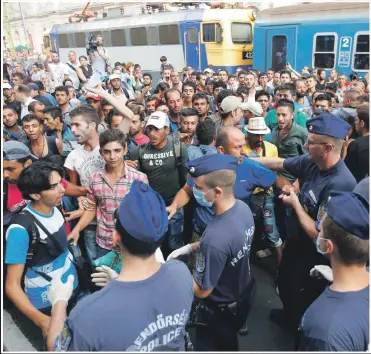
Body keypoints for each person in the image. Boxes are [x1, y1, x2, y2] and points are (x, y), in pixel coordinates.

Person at [47, 179, 193, 351]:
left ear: (115, 238)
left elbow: (56, 349)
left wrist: (59, 303)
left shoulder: (88, 312)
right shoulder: (181, 272)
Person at [252, 113, 357, 330]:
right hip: (296, 241)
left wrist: (295, 205)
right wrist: (243, 161)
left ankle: (298, 326)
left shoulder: (340, 184)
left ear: (327, 148)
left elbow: (320, 236)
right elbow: (280, 162)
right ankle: (289, 314)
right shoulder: (312, 162)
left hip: (314, 253)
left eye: (311, 142)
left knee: (302, 293)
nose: (306, 145)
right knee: (285, 283)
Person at [167, 154, 256, 351]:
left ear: (217, 191)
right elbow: (231, 246)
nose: (195, 192)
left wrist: (173, 274)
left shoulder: (215, 238)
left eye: (199, 188)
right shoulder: (242, 209)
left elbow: (201, 289)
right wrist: (191, 247)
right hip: (241, 292)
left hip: (219, 309)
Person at [5, 161, 79, 339]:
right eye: (54, 186)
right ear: (35, 194)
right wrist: (42, 321)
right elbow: (12, 286)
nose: (62, 189)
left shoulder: (55, 208)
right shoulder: (20, 230)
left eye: (61, 182)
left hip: (72, 287)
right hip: (46, 302)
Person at [297, 191, 369, 351]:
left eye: (320, 230)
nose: (318, 232)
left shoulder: (325, 330)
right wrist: (335, 278)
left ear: (327, 246)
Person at [67, 129, 149, 261]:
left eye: (117, 150)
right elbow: (92, 208)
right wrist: (77, 229)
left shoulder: (139, 179)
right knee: (103, 281)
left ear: (125, 150)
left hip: (131, 244)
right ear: (101, 152)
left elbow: (144, 214)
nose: (112, 156)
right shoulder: (95, 178)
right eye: (107, 151)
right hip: (104, 243)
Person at [129, 111, 189, 257]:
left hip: (174, 203)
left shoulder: (179, 148)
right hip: (151, 207)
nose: (152, 133)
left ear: (167, 130)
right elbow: (137, 181)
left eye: (157, 129)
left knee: (175, 244)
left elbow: (186, 177)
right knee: (155, 245)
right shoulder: (139, 151)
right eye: (150, 129)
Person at [244, 118, 282, 264]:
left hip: (266, 194)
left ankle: (281, 272)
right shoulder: (242, 148)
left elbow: (275, 172)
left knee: (271, 231)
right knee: (246, 232)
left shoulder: (271, 148)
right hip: (247, 196)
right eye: (255, 135)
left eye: (262, 135)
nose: (259, 138)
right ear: (248, 133)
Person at [344, 103, 369, 182]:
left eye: (356, 119)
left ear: (362, 123)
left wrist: (345, 147)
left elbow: (345, 170)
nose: (355, 123)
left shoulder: (356, 144)